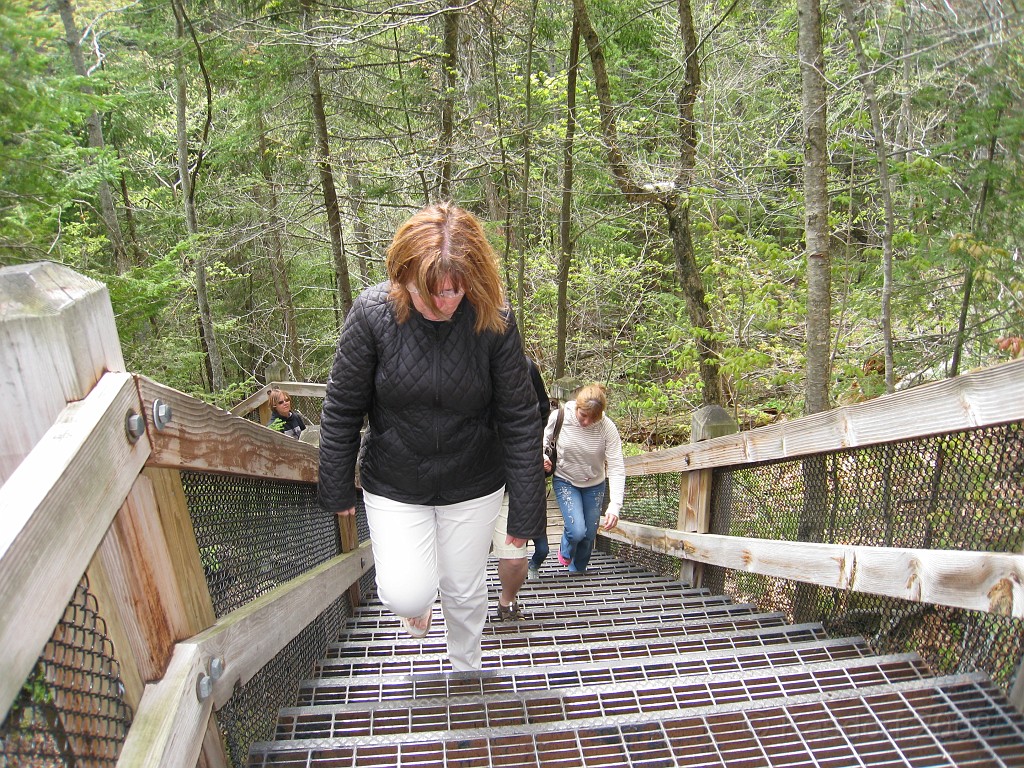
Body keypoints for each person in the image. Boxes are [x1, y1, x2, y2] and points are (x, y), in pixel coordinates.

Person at [317, 202, 547, 672]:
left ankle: (467, 671)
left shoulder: (494, 317)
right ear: (403, 277)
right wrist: (335, 482)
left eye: (455, 290)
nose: (445, 303)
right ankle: (417, 606)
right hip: (396, 480)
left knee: (464, 587)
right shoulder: (372, 315)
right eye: (431, 292)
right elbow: (342, 406)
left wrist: (525, 515)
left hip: (473, 480)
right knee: (406, 593)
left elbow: (521, 418)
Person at [543, 382, 625, 574]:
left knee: (588, 535)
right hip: (565, 480)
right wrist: (544, 457)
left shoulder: (607, 427)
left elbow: (616, 466)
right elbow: (543, 441)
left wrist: (615, 505)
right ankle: (566, 546)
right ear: (577, 407)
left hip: (595, 484)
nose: (587, 422)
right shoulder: (560, 417)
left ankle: (577, 572)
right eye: (583, 416)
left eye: (593, 418)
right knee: (577, 530)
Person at [493, 355, 551, 620]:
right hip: (463, 482)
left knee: (516, 559)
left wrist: (529, 452)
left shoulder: (524, 366)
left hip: (510, 478)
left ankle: (507, 600)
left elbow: (541, 412)